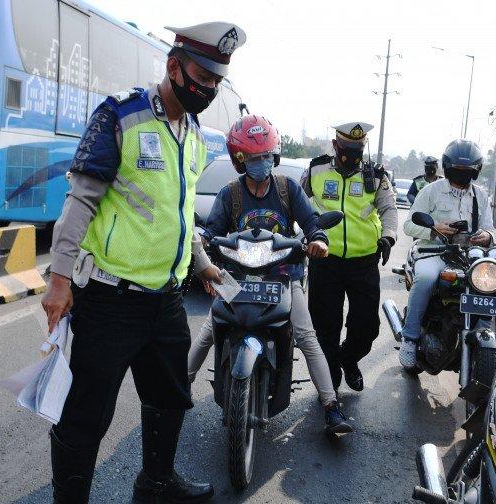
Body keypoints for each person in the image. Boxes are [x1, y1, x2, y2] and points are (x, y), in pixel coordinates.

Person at [40, 22, 246, 504]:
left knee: (171, 399)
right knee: (87, 415)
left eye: (217, 81)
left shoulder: (193, 135)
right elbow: (81, 201)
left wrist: (202, 264)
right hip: (111, 298)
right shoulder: (121, 115)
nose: (209, 88)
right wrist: (59, 279)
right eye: (202, 76)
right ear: (173, 67)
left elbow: (179, 214)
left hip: (166, 300)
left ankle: (156, 482)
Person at [187, 115, 353, 434]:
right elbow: (211, 232)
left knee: (305, 335)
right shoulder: (230, 193)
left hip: (283, 274)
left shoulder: (287, 188)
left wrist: (318, 240)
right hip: (237, 276)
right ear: (240, 161)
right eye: (253, 158)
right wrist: (204, 256)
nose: (260, 163)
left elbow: (312, 222)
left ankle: (331, 405)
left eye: (265, 156)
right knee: (210, 328)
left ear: (273, 156)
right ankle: (179, 390)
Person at [302, 122, 398, 392]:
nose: (353, 153)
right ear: (335, 146)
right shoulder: (316, 170)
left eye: (358, 148)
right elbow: (295, 202)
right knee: (325, 327)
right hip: (324, 259)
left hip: (363, 262)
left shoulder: (377, 176)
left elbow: (389, 209)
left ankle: (349, 358)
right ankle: (330, 381)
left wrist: (388, 236)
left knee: (367, 327)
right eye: (347, 148)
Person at [399, 139, 496, 368]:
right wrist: (434, 229)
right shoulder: (431, 191)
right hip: (433, 251)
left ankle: (482, 332)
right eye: (458, 170)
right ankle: (410, 338)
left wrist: (487, 237)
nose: (462, 175)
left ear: (476, 171)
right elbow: (408, 226)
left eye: (468, 170)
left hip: (466, 256)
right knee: (425, 279)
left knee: (488, 281)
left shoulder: (480, 196)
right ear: (447, 167)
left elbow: (490, 229)